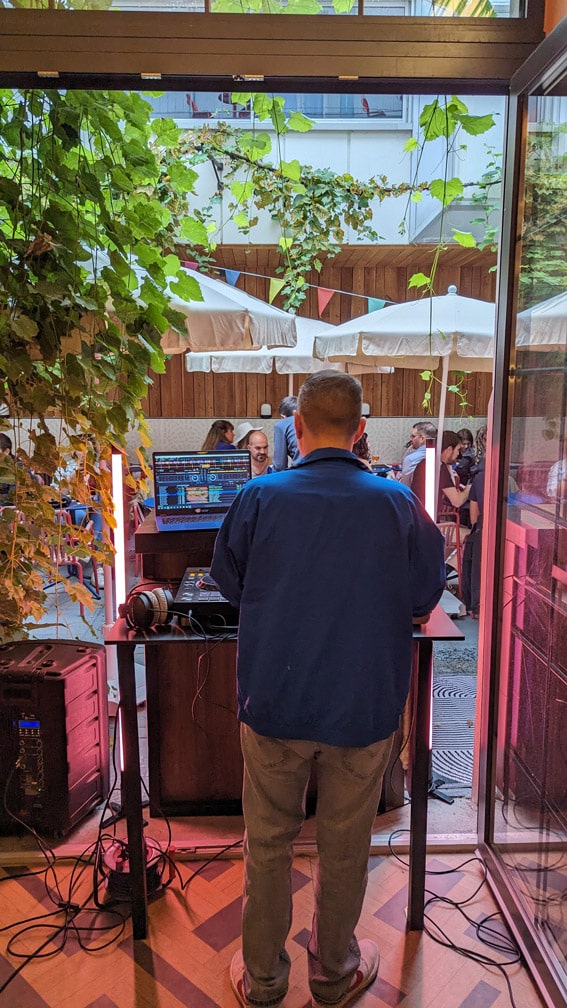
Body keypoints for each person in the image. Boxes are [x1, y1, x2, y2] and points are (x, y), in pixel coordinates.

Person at [210, 371, 445, 1008]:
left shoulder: (258, 496)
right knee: (345, 848)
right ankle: (334, 975)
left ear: (296, 427)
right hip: (363, 708)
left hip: (274, 705)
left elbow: (230, 585)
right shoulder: (397, 503)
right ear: (362, 429)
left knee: (267, 845)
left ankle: (263, 982)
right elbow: (425, 596)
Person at [412, 430, 472, 519]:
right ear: (449, 449)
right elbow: (457, 501)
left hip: (417, 516)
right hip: (426, 520)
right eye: (457, 450)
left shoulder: (426, 462)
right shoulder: (439, 468)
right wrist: (469, 489)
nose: (458, 454)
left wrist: (448, 465)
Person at [462, 425, 487, 618]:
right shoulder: (509, 478)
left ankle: (476, 606)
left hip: (483, 531)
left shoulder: (479, 478)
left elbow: (473, 518)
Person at [399, 421, 437, 487]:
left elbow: (405, 487)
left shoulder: (410, 459)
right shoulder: (439, 456)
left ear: (422, 439)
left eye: (413, 436)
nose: (411, 439)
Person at [272, 395, 301, 471]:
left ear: (282, 417)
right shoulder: (313, 422)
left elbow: (279, 466)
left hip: (303, 470)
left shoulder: (282, 424)